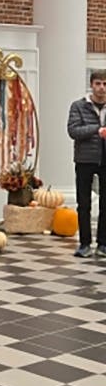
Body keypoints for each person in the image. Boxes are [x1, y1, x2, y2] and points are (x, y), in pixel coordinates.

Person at [68, 69, 106, 258]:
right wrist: (97, 130)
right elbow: (73, 131)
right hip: (85, 160)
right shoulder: (78, 106)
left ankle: (103, 244)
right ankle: (84, 244)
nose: (102, 88)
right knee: (83, 203)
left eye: (105, 84)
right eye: (98, 83)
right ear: (91, 85)